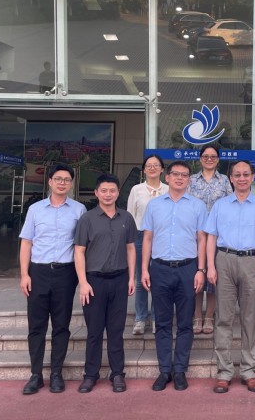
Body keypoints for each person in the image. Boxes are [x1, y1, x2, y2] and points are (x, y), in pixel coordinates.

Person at [205, 160, 255, 394]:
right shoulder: (220, 205)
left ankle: (249, 371)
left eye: (246, 174)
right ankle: (224, 373)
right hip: (224, 260)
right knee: (223, 319)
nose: (242, 178)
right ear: (231, 179)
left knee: (249, 318)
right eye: (237, 175)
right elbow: (211, 236)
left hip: (251, 262)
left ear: (253, 177)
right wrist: (210, 267)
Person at [18, 164, 86, 395]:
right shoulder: (35, 209)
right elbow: (26, 242)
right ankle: (36, 375)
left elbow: (81, 245)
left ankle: (56, 373)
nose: (62, 183)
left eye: (67, 180)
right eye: (58, 179)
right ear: (50, 181)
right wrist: (24, 274)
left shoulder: (79, 210)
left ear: (71, 184)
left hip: (65, 273)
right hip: (38, 272)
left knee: (61, 325)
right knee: (36, 326)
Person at [142, 160, 207, 392]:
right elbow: (147, 238)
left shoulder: (198, 206)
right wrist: (144, 269)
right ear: (167, 177)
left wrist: (201, 270)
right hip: (159, 268)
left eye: (185, 175)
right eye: (176, 174)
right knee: (162, 322)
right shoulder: (154, 205)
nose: (180, 178)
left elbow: (202, 239)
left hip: (187, 269)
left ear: (189, 180)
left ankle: (180, 370)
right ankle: (164, 371)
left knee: (185, 322)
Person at [74, 174, 137, 394]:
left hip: (119, 280)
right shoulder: (87, 219)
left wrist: (131, 277)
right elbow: (79, 251)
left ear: (118, 193)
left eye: (112, 191)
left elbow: (131, 248)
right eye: (104, 191)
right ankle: (90, 375)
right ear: (96, 193)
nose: (108, 194)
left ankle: (117, 373)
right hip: (94, 282)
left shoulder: (126, 218)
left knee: (116, 330)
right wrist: (83, 282)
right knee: (94, 331)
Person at [188, 144, 232, 335]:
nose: (209, 159)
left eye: (213, 156)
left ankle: (209, 316)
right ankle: (197, 315)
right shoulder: (191, 180)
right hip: (194, 236)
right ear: (200, 159)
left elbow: (231, 205)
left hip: (217, 236)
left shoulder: (224, 181)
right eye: (206, 156)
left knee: (213, 277)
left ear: (218, 160)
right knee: (198, 275)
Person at [127, 154, 169, 335]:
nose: (152, 168)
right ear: (144, 169)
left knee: (159, 279)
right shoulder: (136, 190)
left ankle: (157, 318)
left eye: (156, 165)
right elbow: (130, 215)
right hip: (139, 235)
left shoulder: (168, 189)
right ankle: (140, 318)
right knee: (141, 279)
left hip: (162, 237)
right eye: (149, 165)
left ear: (162, 169)